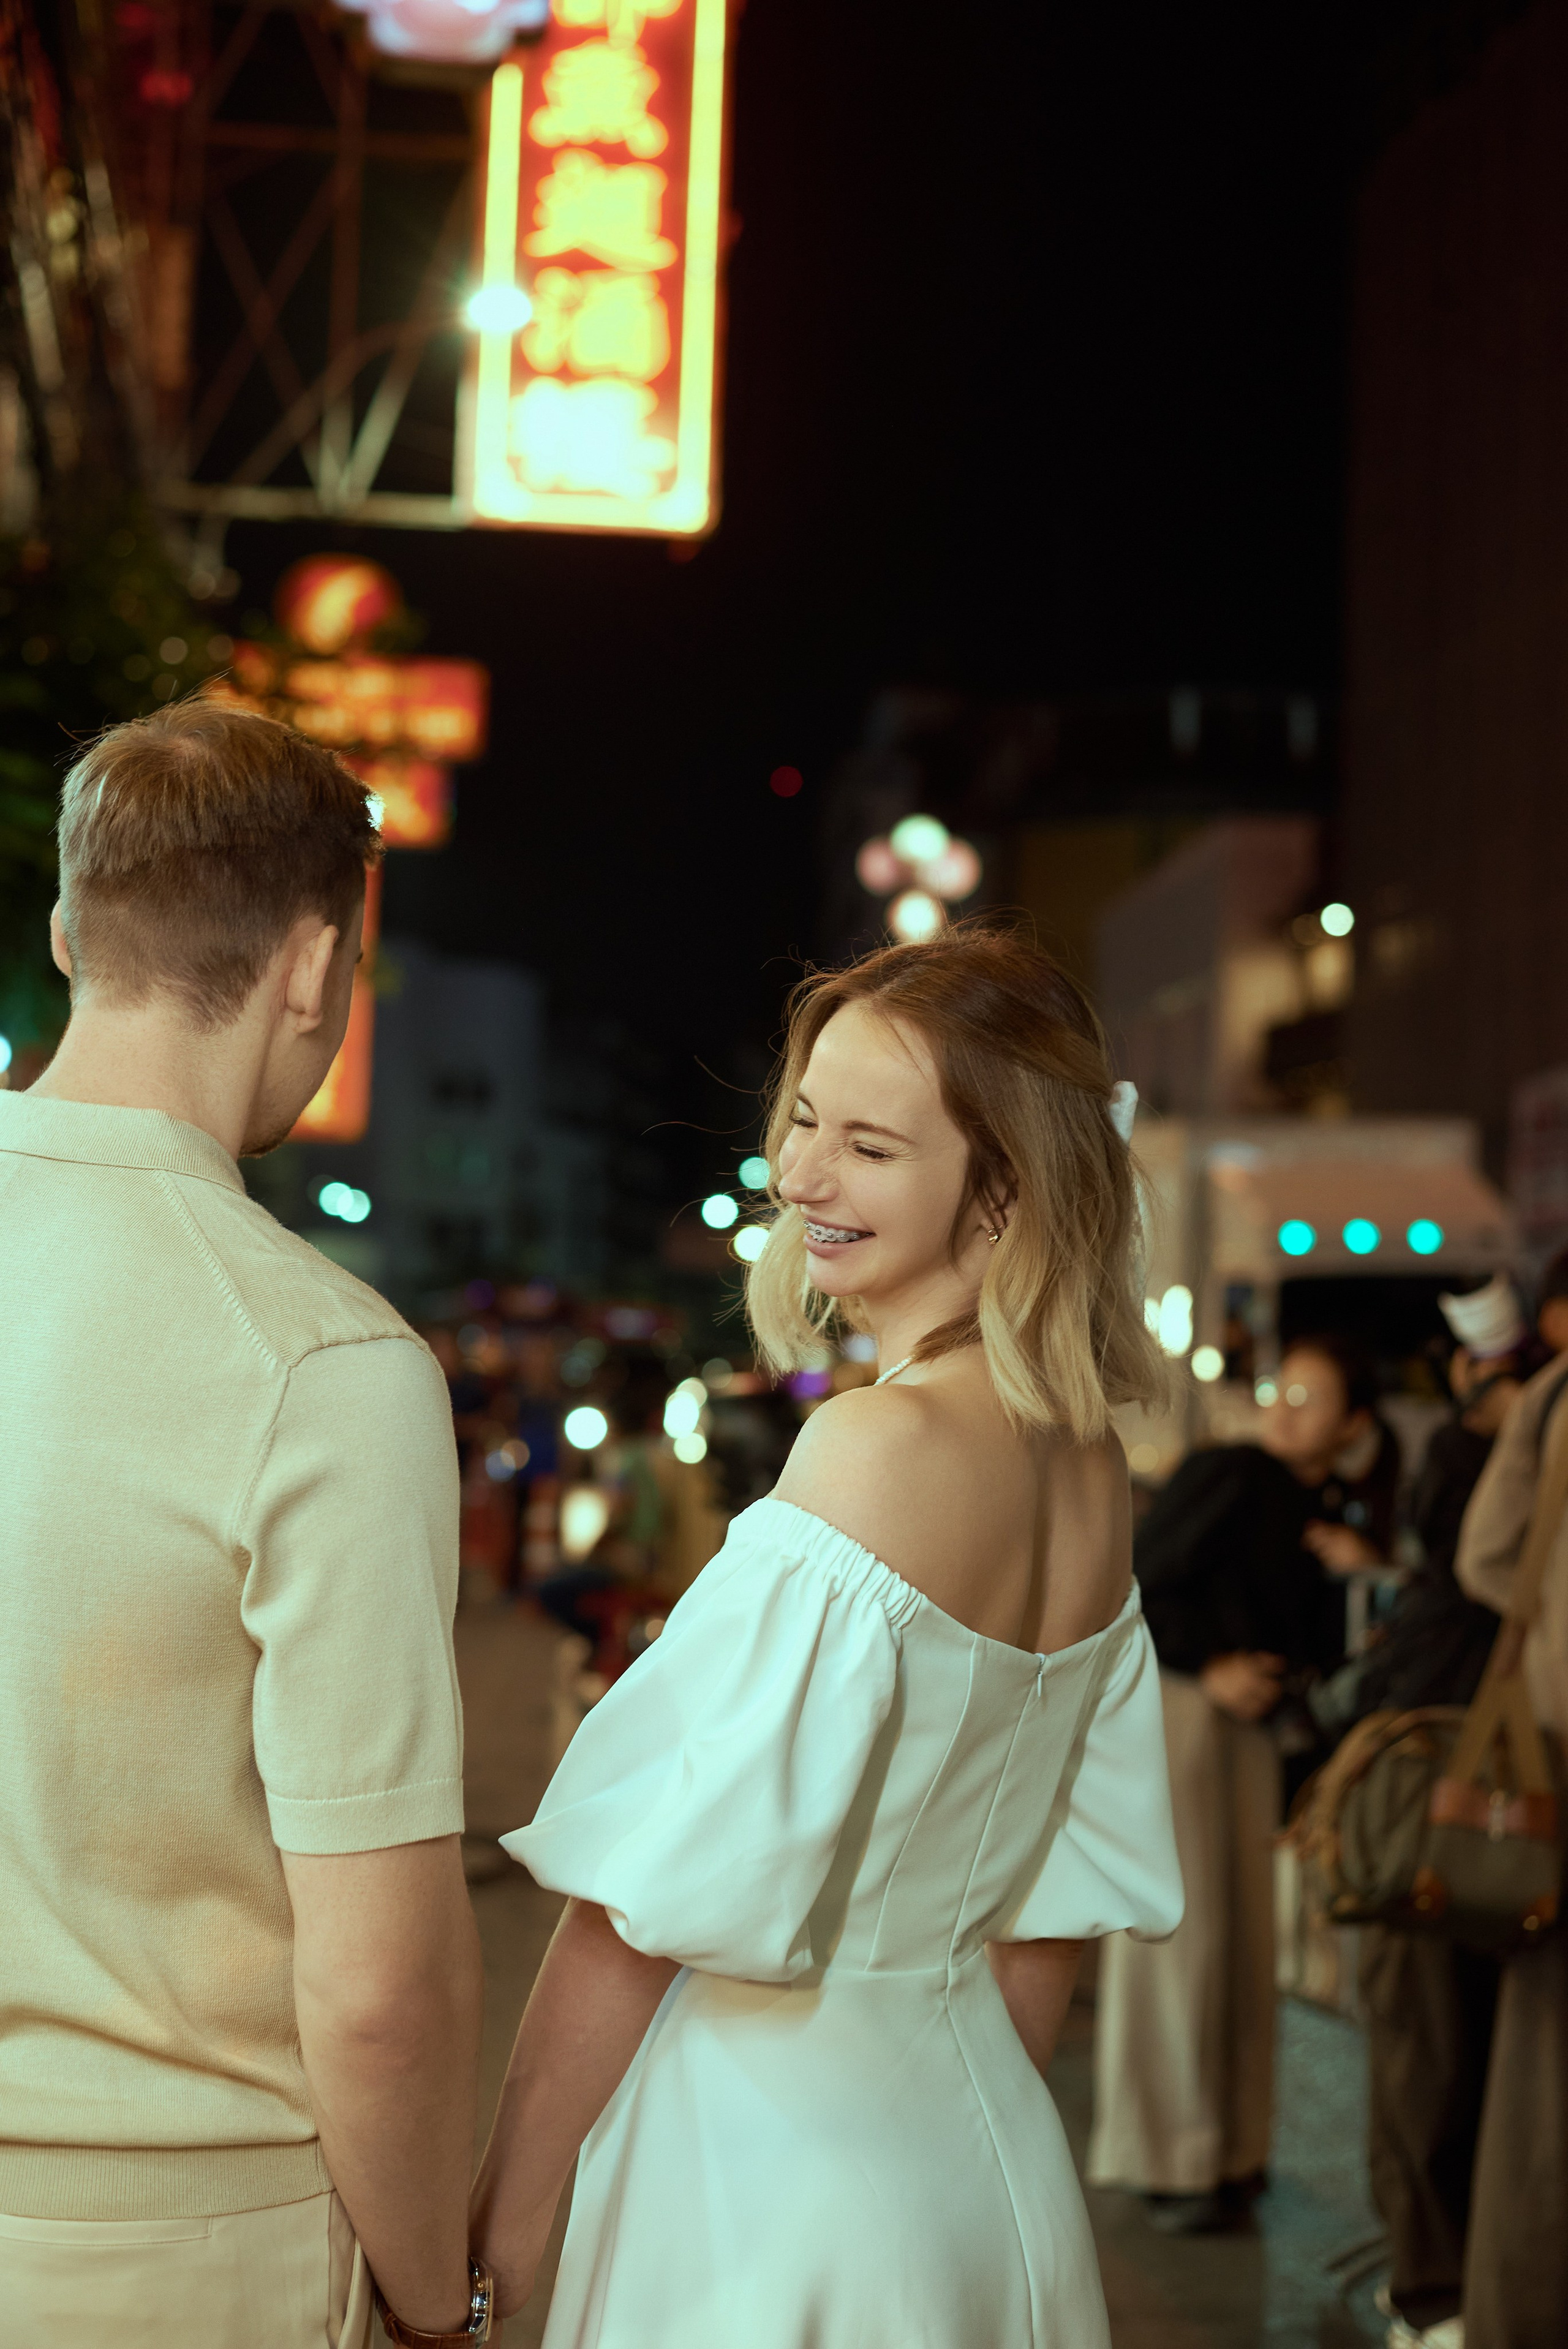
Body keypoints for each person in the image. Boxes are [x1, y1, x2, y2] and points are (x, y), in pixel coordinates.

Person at [469, 926, 1184, 2347]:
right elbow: (1045, 1917)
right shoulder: (1087, 1461)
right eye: (801, 1119)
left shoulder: (876, 1446)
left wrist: (503, 2238)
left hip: (761, 2177)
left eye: (867, 1145)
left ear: (1000, 1192)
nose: (798, 1178)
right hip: (980, 2161)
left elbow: (636, 1908)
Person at [0, 703, 486, 2348]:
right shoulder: (324, 1365)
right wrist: (442, 2300)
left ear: (70, 931)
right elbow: (381, 1989)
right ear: (311, 970)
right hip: (175, 2250)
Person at [1087, 1333, 1389, 2231]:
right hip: (1187, 1711)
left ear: (1355, 1424)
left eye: (1312, 1398)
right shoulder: (1230, 1471)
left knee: (1244, 1946)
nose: (1287, 1408)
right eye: (1283, 1391)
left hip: (1251, 1732)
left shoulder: (1328, 1510)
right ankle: (1168, 2156)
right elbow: (1137, 1583)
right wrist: (1211, 1664)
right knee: (1183, 1937)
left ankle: (1233, 2150)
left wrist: (1355, 1572)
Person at [1450, 1340, 1568, 2349]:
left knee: (1541, 2078)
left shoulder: (1556, 1395)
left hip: (1556, 1771)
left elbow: (1490, 1558)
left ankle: (1513, 2320)